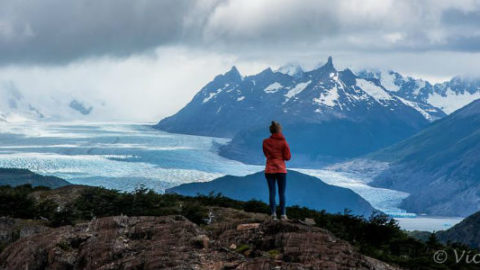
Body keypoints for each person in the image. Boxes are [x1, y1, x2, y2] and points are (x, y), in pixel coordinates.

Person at [262, 121, 291, 221]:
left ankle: (273, 214)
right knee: (282, 193)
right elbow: (287, 157)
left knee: (272, 192)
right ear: (279, 130)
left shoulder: (265, 142)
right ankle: (283, 215)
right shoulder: (284, 142)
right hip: (281, 170)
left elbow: (266, 154)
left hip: (269, 169)